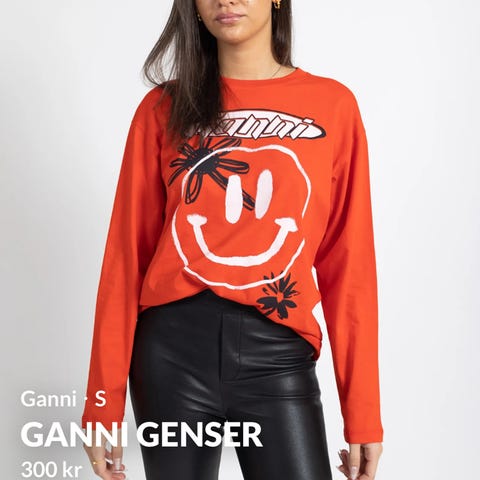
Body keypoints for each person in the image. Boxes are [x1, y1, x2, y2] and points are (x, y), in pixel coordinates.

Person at [81, 0, 384, 479]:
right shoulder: (162, 108)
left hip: (278, 353)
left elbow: (349, 264)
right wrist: (102, 404)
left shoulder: (333, 105)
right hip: (170, 357)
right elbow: (125, 259)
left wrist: (362, 411)